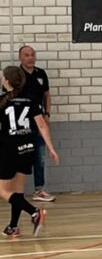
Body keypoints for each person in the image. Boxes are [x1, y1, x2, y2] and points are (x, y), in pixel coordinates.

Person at [0, 65, 59, 238]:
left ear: (7, 81)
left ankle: (34, 212)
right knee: (17, 191)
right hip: (27, 149)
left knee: (3, 191)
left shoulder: (2, 101)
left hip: (9, 150)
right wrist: (51, 148)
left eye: (3, 77)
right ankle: (13, 226)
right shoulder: (31, 99)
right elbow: (42, 125)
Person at [18, 45, 54, 202]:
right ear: (20, 58)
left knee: (39, 156)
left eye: (32, 54)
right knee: (20, 156)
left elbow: (47, 95)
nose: (30, 58)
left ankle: (39, 190)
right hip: (21, 124)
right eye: (26, 55)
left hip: (39, 121)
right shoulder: (16, 75)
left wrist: (47, 113)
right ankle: (15, 191)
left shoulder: (41, 74)